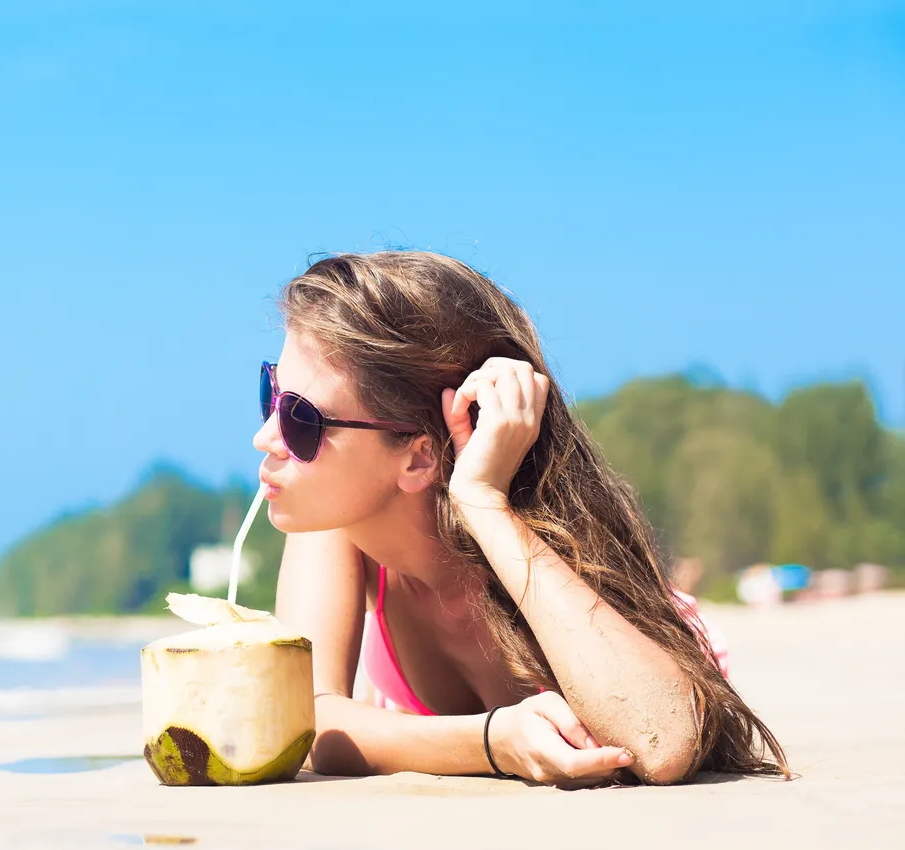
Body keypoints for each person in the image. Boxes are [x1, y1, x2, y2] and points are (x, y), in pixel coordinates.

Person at [255, 252, 787, 787]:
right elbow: (305, 717)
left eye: (301, 420)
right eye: (271, 395)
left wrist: (483, 500)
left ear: (418, 458)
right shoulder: (331, 521)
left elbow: (663, 742)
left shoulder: (542, 548)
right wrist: (492, 743)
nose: (264, 438)